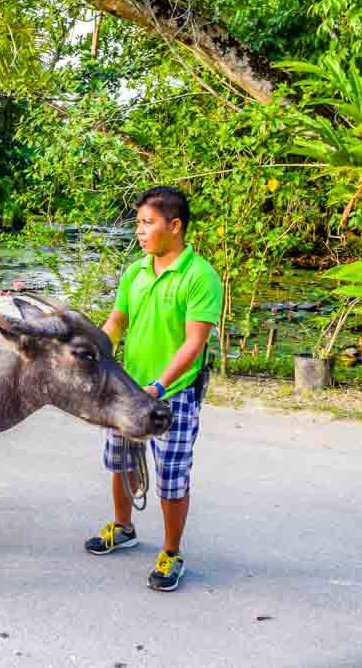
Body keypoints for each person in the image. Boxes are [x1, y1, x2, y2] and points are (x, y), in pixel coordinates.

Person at [85, 186, 223, 592]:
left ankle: (171, 551)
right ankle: (123, 527)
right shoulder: (136, 271)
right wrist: (94, 351)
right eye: (138, 224)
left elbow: (193, 342)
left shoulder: (200, 277)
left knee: (171, 475)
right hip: (127, 389)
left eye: (148, 223)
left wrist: (159, 386)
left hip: (172, 393)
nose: (140, 232)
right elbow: (116, 322)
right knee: (120, 460)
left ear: (174, 226)